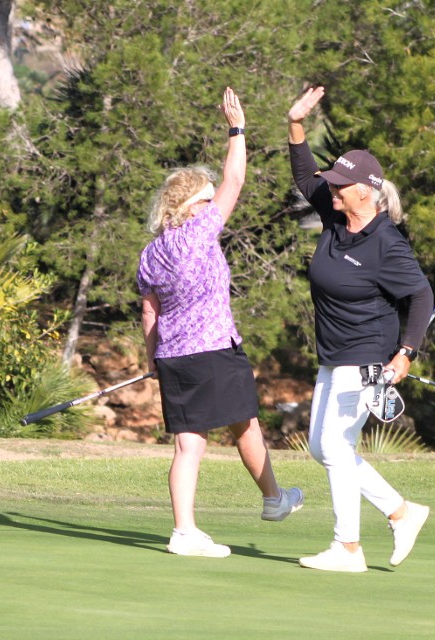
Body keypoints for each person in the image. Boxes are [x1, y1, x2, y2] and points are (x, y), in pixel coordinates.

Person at [137, 87, 303, 558]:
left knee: (189, 446)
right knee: (245, 427)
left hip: (174, 357)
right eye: (207, 200)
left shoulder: (150, 253)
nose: (215, 205)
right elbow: (235, 178)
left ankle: (185, 530)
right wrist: (237, 129)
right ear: (192, 207)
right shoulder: (199, 232)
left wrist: (152, 360)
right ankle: (273, 499)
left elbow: (150, 313)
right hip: (214, 349)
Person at [286, 86, 435, 572]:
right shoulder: (335, 217)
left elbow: (420, 296)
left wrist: (406, 352)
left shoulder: (387, 243)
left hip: (368, 356)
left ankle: (348, 548)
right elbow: (304, 176)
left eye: (340, 186)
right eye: (332, 186)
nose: (331, 191)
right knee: (321, 447)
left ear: (365, 192)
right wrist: (295, 125)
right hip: (334, 353)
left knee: (336, 447)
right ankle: (401, 511)